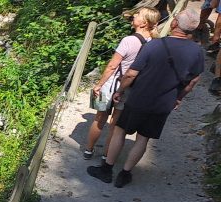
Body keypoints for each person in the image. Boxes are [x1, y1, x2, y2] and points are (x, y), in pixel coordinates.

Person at [86, 7, 204, 188]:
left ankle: (107, 169)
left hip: (139, 97)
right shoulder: (196, 51)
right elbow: (193, 80)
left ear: (174, 24)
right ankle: (125, 174)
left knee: (120, 131)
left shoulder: (155, 45)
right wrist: (179, 97)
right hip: (164, 102)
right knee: (143, 139)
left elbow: (131, 73)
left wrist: (120, 91)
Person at [83, 7, 158, 160]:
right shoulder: (154, 42)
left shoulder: (128, 40)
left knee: (99, 118)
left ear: (144, 23)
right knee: (115, 124)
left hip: (111, 84)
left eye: (138, 14)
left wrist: (98, 85)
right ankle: (106, 155)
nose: (134, 15)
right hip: (130, 87)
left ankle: (88, 151)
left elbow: (112, 66)